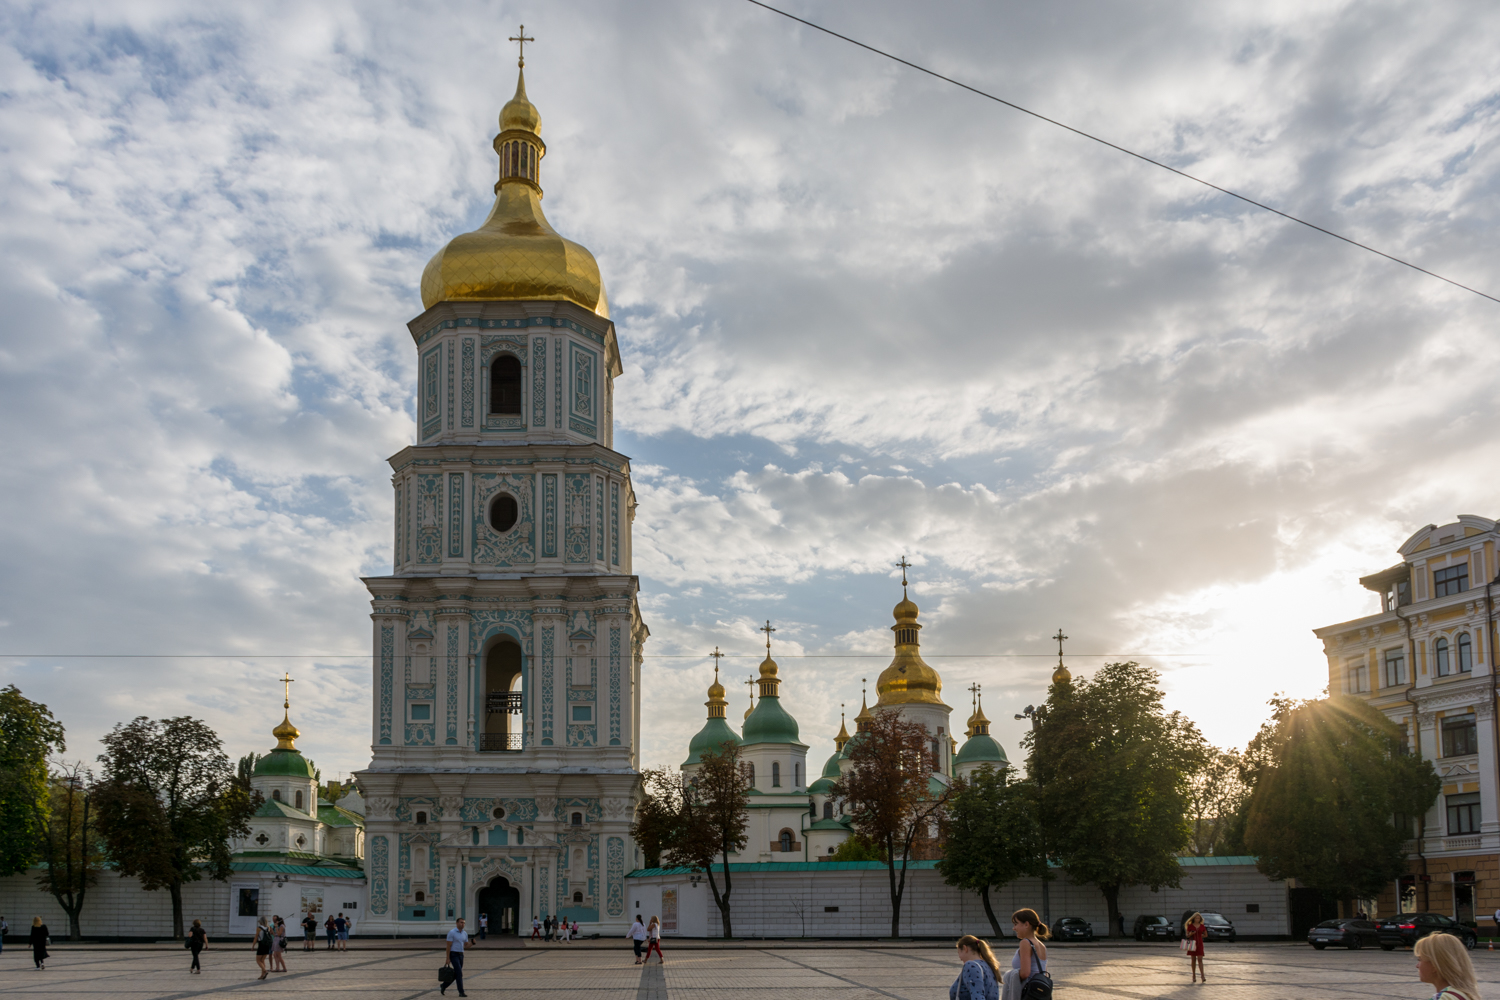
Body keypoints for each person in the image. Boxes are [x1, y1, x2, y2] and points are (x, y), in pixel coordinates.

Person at [1415, 931, 1481, 1000]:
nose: (1417, 966)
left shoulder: (1443, 998)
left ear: (1435, 964)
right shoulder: (1463, 994)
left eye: (1420, 959)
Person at [1004, 908, 1049, 1000]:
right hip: (1037, 994)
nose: (1014, 928)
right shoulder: (1041, 945)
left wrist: (1009, 975)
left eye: (1016, 924)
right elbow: (1043, 973)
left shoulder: (1025, 943)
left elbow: (1025, 973)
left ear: (1026, 924)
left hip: (1027, 993)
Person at [951, 934, 1000, 1000]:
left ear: (965, 948)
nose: (960, 958)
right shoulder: (989, 965)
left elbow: (977, 996)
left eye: (959, 952)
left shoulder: (971, 966)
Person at [442, 917, 469, 997]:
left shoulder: (465, 933)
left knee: (457, 973)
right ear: (457, 923)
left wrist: (472, 943)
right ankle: (461, 992)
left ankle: (444, 985)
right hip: (454, 954)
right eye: (461, 922)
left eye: (464, 923)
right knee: (459, 973)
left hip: (461, 955)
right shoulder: (452, 932)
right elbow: (448, 946)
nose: (462, 924)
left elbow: (466, 945)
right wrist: (447, 958)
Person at [1183, 912, 1207, 984]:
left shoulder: (1202, 926)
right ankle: (1193, 975)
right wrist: (1191, 933)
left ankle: (1202, 976)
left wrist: (1200, 935)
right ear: (1194, 918)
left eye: (1198, 918)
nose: (1197, 919)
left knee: (1200, 959)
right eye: (1196, 918)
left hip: (1200, 944)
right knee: (1193, 960)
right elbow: (1187, 935)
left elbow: (1206, 935)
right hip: (1192, 943)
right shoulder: (1190, 926)